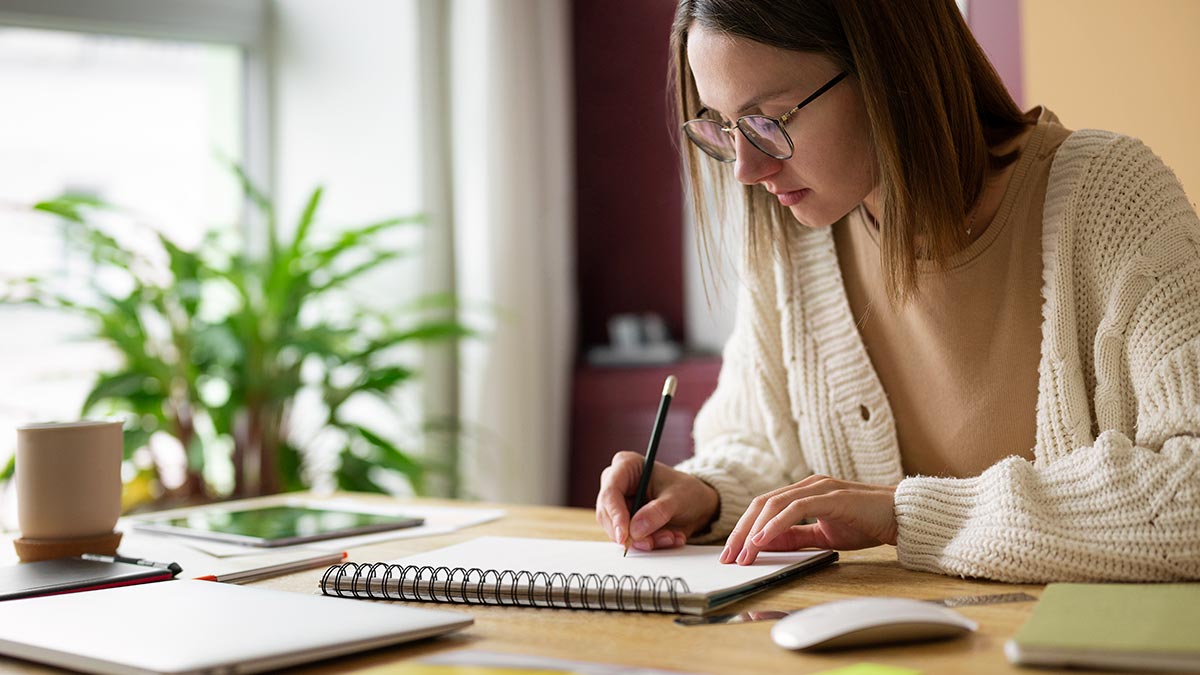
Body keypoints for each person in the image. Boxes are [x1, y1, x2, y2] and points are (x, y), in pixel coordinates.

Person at [595, 0, 1200, 582]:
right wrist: (705, 492)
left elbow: (1190, 495)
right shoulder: (797, 239)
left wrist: (906, 514)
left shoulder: (1112, 198)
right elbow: (762, 446)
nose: (746, 171)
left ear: (888, 67)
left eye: (769, 121)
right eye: (724, 128)